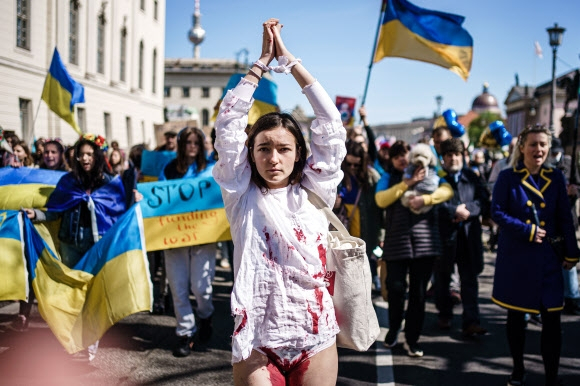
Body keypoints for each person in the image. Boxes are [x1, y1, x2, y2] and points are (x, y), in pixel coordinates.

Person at [213, 19, 346, 385]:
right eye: (264, 148)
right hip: (256, 339)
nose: (273, 158)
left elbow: (331, 125)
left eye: (284, 149)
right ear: (250, 155)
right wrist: (259, 66)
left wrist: (290, 63)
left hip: (315, 335)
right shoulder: (240, 192)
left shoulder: (316, 191)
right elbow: (228, 125)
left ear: (299, 154)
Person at [22, 134, 140, 360]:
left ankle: (89, 344)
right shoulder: (68, 182)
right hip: (70, 243)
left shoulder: (109, 182)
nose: (85, 158)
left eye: (89, 154)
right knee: (74, 293)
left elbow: (120, 212)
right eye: (81, 154)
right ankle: (74, 340)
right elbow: (55, 208)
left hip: (97, 245)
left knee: (92, 294)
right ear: (75, 157)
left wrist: (135, 200)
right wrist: (35, 214)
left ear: (96, 156)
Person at [491, 125, 579, 386]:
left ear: (548, 148)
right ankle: (518, 370)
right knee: (517, 317)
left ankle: (551, 376)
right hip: (518, 258)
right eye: (533, 144)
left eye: (543, 144)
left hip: (549, 260)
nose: (538, 149)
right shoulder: (508, 177)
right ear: (522, 147)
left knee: (552, 319)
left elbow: (564, 218)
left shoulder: (556, 177)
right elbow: (496, 212)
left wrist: (571, 254)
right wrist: (526, 230)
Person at [375, 140, 453, 357]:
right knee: (396, 289)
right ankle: (393, 330)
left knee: (418, 295)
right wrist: (406, 184)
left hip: (426, 244)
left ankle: (412, 339)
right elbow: (381, 200)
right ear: (390, 159)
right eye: (396, 155)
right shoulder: (388, 177)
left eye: (405, 154)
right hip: (396, 243)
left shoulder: (433, 172)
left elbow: (447, 190)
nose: (401, 159)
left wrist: (426, 198)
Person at [159, 126, 217, 358]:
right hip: (174, 237)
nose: (192, 147)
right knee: (178, 287)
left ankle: (206, 315)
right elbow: (159, 196)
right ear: (182, 145)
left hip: (204, 238)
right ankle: (185, 332)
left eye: (196, 142)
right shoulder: (169, 169)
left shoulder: (212, 169)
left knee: (201, 287)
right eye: (188, 142)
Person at [435, 138, 489, 336]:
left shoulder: (472, 177)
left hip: (468, 237)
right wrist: (452, 211)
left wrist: (469, 210)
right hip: (445, 237)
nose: (453, 158)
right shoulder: (437, 178)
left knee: (469, 280)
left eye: (457, 154)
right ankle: (444, 314)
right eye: (449, 155)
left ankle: (471, 321)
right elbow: (432, 205)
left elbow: (483, 201)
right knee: (442, 278)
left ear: (463, 156)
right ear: (444, 157)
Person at [338, 140, 383, 290]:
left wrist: (380, 235)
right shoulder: (337, 175)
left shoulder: (370, 177)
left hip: (365, 229)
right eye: (349, 164)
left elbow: (379, 209)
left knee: (361, 275)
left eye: (356, 165)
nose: (352, 168)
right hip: (342, 228)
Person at [547, 137, 580, 316]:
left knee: (569, 259)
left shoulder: (568, 163)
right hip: (549, 221)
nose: (553, 156)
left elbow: (578, 185)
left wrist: (574, 191)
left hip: (568, 218)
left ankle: (572, 297)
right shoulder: (544, 166)